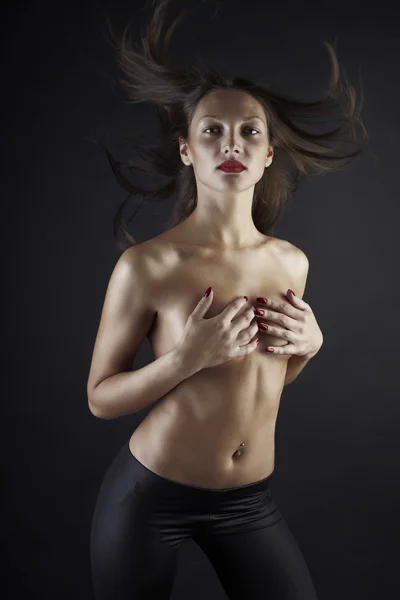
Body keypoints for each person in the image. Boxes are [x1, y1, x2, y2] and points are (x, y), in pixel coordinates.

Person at [87, 2, 369, 598]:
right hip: (151, 495)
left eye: (249, 131)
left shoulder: (291, 262)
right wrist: (185, 358)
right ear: (188, 150)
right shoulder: (149, 265)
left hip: (248, 502)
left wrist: (310, 349)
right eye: (211, 130)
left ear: (268, 155)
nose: (230, 143)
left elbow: (257, 385)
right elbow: (99, 399)